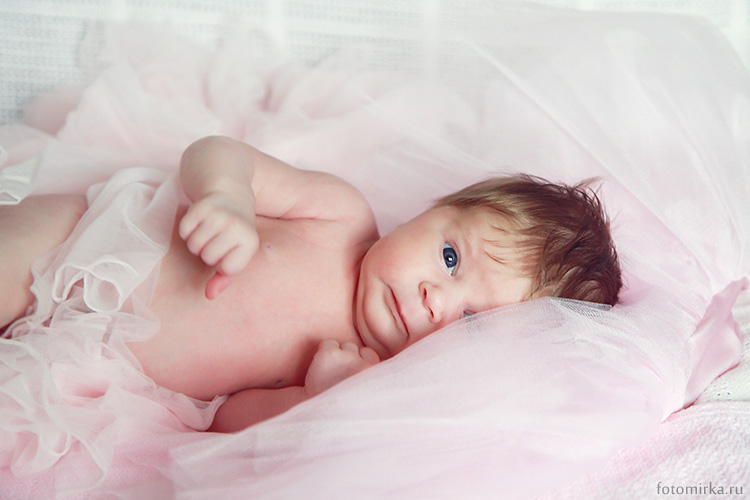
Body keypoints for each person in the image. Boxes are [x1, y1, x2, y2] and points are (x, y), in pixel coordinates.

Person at [0, 135, 621, 432]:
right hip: (86, 249)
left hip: (81, 367)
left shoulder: (355, 371)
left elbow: (224, 419)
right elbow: (221, 151)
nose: (436, 299)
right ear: (431, 211)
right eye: (451, 257)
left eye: (470, 322)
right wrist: (227, 197)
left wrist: (312, 401)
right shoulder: (339, 218)